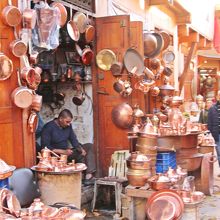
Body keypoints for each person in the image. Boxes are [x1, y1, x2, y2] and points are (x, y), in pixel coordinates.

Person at [41, 109, 96, 184]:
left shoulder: (68, 126)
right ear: (60, 119)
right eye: (67, 122)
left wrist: (80, 149)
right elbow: (45, 147)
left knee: (89, 146)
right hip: (55, 156)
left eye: (70, 122)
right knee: (77, 156)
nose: (69, 124)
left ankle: (88, 176)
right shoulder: (48, 127)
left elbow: (73, 139)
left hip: (67, 153)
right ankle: (79, 176)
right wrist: (63, 152)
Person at [207, 90, 220, 172]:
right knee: (219, 153)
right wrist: (212, 133)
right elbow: (209, 122)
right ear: (218, 97)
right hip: (217, 134)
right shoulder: (212, 108)